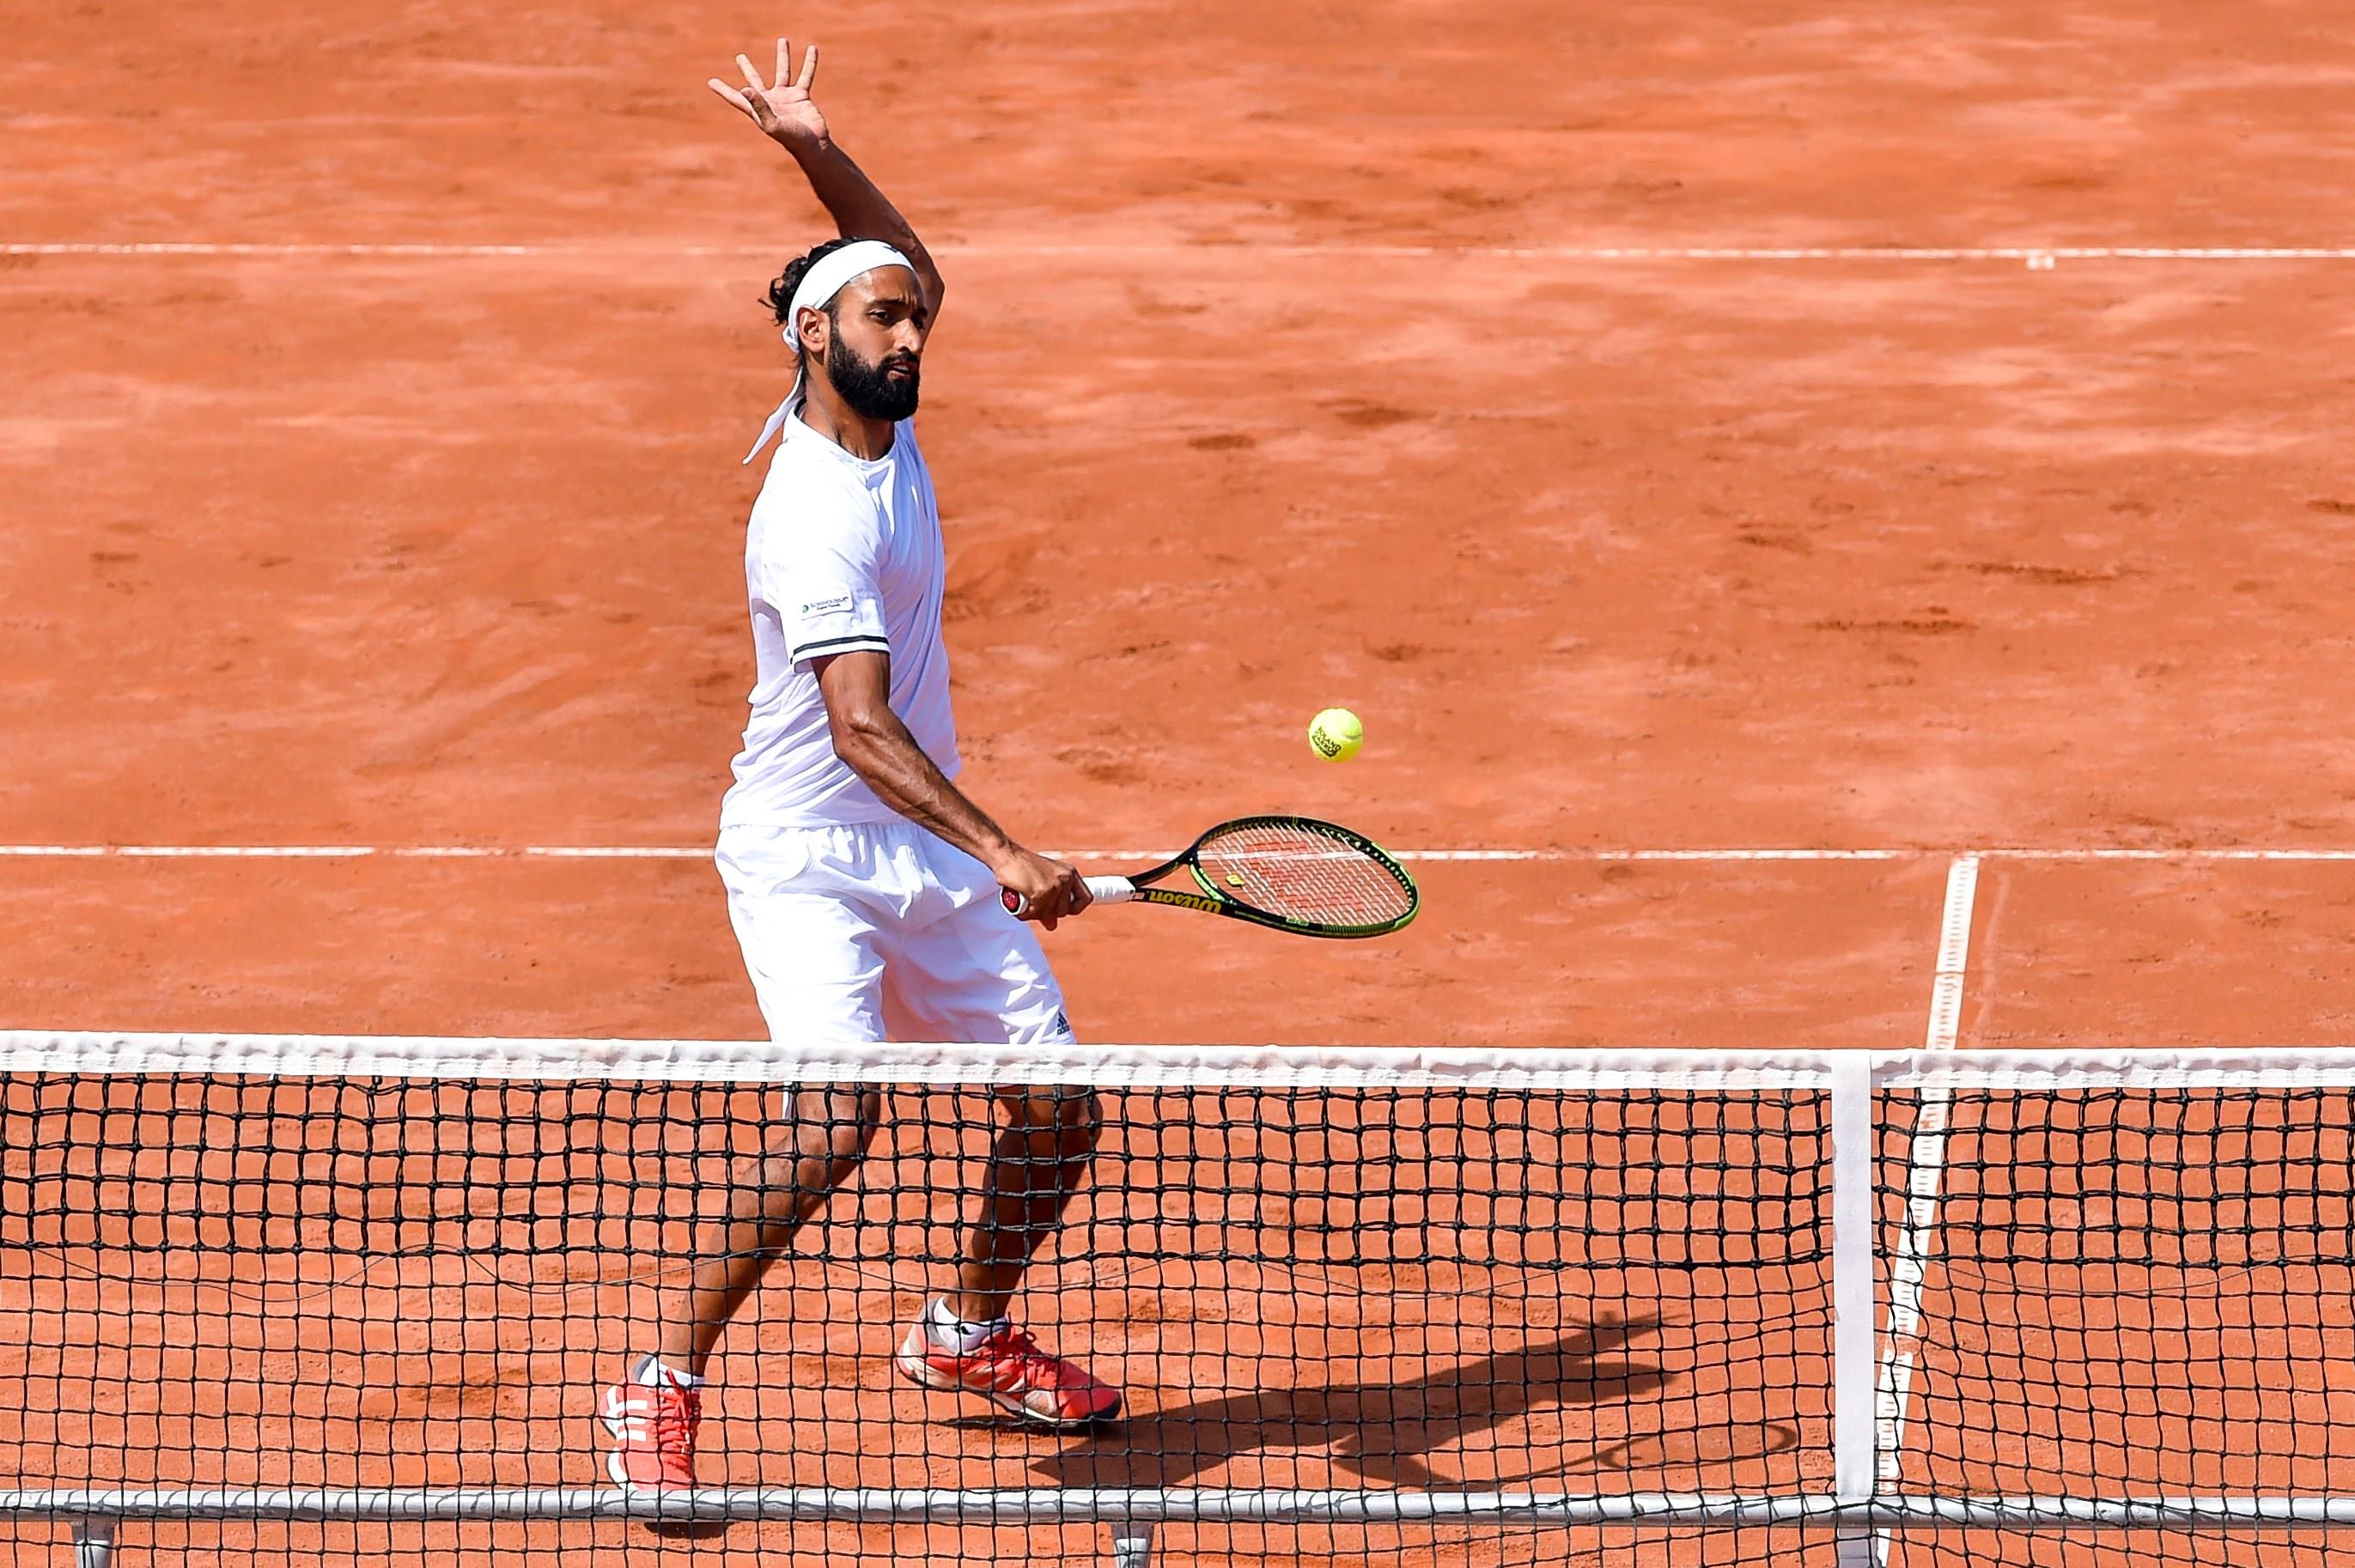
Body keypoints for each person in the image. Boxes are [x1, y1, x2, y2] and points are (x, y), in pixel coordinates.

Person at [599, 38, 1120, 1497]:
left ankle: (964, 1328)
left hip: (927, 848)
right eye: (884, 319)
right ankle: (662, 1379)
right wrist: (1010, 851)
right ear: (811, 338)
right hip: (811, 854)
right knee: (834, 1125)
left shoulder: (888, 424)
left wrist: (811, 148)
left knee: (1057, 1109)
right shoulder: (811, 514)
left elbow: (911, 261)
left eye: (914, 320)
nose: (912, 336)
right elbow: (861, 728)